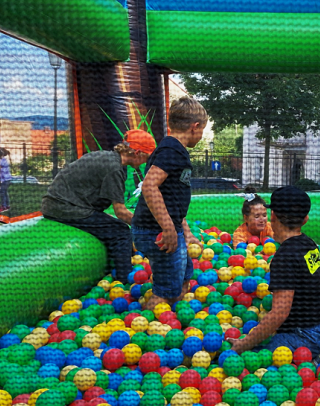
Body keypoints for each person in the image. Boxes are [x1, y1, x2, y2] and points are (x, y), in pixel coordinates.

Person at [228, 186, 320, 358]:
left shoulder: (284, 257)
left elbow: (279, 313)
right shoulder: (309, 244)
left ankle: (311, 360)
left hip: (305, 337)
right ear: (305, 219)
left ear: (273, 216)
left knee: (249, 355)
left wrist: (243, 345)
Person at [42, 129, 156, 282]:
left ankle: (118, 269)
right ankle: (125, 280)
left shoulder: (106, 157)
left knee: (110, 224)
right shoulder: (114, 169)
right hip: (65, 207)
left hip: (58, 203)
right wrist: (149, 226)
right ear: (137, 153)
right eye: (146, 157)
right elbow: (121, 212)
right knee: (121, 231)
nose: (145, 161)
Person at [132, 98, 207, 309]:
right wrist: (167, 228)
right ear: (195, 127)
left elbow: (173, 199)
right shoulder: (171, 151)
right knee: (166, 292)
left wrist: (186, 231)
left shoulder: (174, 150)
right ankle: (149, 328)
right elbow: (149, 186)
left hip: (165, 229)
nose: (201, 136)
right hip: (156, 231)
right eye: (203, 130)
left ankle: (170, 315)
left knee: (183, 279)